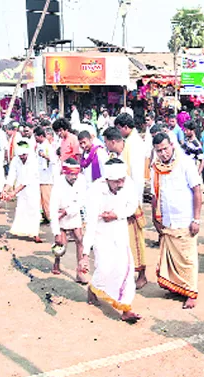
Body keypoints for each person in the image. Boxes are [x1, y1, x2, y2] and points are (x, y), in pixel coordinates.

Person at [79, 159, 142, 323]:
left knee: (126, 270)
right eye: (116, 181)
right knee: (104, 269)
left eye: (122, 180)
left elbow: (133, 205)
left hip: (120, 232)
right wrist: (85, 254)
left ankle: (126, 308)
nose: (120, 184)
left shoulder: (127, 183)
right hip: (102, 235)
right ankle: (94, 288)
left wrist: (117, 214)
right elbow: (91, 224)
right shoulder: (95, 191)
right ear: (107, 179)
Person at [151, 133, 202, 309]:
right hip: (167, 219)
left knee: (188, 259)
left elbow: (197, 190)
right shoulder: (156, 167)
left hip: (185, 219)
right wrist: (154, 217)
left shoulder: (185, 162)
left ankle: (191, 292)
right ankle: (178, 288)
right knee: (172, 257)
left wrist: (196, 219)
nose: (163, 153)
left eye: (165, 148)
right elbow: (155, 195)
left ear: (172, 145)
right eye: (159, 151)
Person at [110, 117, 148, 289]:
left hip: (132, 200)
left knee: (136, 240)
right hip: (122, 199)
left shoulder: (134, 144)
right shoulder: (128, 143)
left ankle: (142, 275)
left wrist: (134, 203)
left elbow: (137, 177)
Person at [50, 159, 87, 283]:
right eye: (71, 174)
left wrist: (68, 211)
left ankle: (80, 272)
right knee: (61, 244)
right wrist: (56, 232)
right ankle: (57, 262)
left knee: (80, 240)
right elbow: (53, 209)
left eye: (75, 174)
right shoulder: (58, 183)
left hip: (73, 213)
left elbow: (82, 201)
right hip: (59, 216)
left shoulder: (81, 180)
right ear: (65, 172)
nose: (74, 177)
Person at [3, 140, 42, 243]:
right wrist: (5, 190)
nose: (22, 157)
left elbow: (27, 181)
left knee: (34, 210)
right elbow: (11, 176)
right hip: (20, 190)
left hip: (32, 188)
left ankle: (35, 233)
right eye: (20, 155)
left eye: (24, 155)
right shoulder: (15, 160)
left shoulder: (33, 160)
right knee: (21, 209)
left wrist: (13, 193)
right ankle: (22, 231)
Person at [35, 127, 58, 222]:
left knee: (46, 199)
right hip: (40, 176)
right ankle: (44, 216)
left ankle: (50, 217)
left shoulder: (48, 146)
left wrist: (45, 156)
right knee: (41, 199)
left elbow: (54, 160)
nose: (34, 138)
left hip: (47, 177)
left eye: (35, 136)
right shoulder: (40, 146)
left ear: (41, 136)